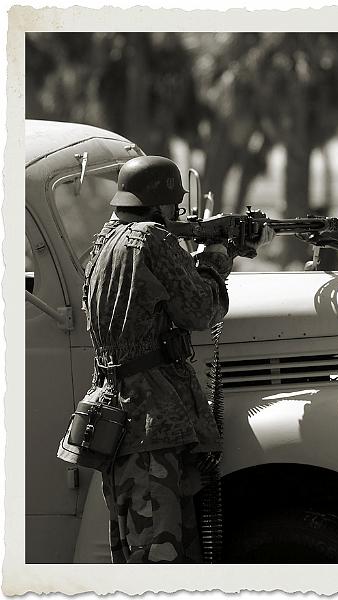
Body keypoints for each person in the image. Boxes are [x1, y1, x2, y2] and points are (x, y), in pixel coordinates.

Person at [83, 155, 273, 563]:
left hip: (118, 419)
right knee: (159, 565)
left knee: (141, 559)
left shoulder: (105, 242)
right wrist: (218, 256)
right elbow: (201, 310)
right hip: (152, 424)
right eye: (175, 206)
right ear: (163, 204)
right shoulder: (154, 239)